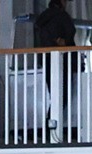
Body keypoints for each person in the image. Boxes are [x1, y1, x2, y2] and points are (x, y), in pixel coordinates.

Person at [34, 0, 76, 133]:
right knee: (63, 96)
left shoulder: (43, 19)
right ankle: (51, 130)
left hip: (47, 61)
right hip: (63, 61)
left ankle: (50, 130)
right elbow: (68, 39)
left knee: (55, 96)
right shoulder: (63, 17)